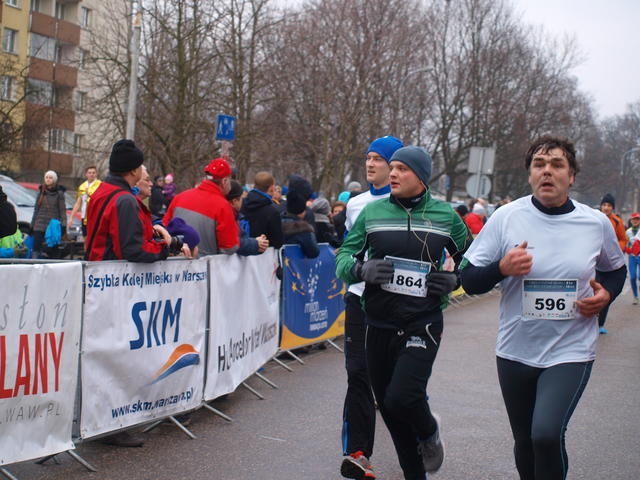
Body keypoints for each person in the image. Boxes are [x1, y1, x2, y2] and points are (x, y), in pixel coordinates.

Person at [460, 135, 626, 480]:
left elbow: (615, 269)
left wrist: (606, 295)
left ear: (571, 176)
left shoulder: (595, 223)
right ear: (530, 174)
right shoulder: (506, 217)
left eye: (556, 165)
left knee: (546, 435)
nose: (547, 171)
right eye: (539, 164)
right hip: (515, 350)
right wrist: (501, 268)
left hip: (571, 350)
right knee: (525, 442)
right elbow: (470, 279)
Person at [336, 146, 471, 480]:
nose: (393, 174)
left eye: (402, 169)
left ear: (421, 177)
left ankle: (429, 431)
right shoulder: (372, 213)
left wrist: (455, 279)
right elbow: (344, 257)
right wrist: (361, 270)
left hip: (422, 321)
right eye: (392, 167)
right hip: (378, 322)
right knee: (390, 410)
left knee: (402, 397)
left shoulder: (445, 215)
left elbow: (473, 258)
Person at [334, 135, 404, 480]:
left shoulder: (412, 204)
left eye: (379, 159)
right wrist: (358, 269)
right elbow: (348, 251)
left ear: (396, 166)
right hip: (360, 298)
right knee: (358, 373)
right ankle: (358, 453)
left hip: (399, 303)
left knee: (397, 384)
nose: (371, 164)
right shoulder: (356, 204)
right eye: (368, 157)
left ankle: (420, 434)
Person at [85, 140, 174, 264]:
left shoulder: (100, 191)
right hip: (113, 271)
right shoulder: (125, 200)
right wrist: (167, 248)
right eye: (140, 166)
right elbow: (134, 249)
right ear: (133, 171)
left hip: (95, 266)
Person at [163, 158, 239, 256]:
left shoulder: (180, 197)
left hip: (175, 261)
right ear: (224, 181)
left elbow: (164, 229)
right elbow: (229, 248)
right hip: (206, 264)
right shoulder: (223, 206)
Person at [597, 193, 626, 334]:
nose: (606, 208)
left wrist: (616, 250)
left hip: (611, 264)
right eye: (604, 205)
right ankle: (590, 320)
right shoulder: (594, 218)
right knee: (593, 291)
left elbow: (623, 239)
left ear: (612, 208)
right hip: (596, 262)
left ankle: (600, 324)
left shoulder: (617, 221)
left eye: (609, 205)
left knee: (606, 293)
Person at [241, 171, 284, 249]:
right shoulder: (272, 212)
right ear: (272, 188)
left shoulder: (241, 205)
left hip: (241, 250)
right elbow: (278, 243)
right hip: (264, 253)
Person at [227, 180, 269, 256]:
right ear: (234, 201)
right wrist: (255, 244)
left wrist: (257, 242)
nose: (243, 201)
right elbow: (230, 243)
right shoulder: (228, 216)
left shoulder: (236, 215)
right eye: (241, 198)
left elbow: (241, 238)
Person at [31, 170, 66, 259]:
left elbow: (62, 210)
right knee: (36, 247)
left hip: (52, 225)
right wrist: (32, 224)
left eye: (50, 177)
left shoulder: (59, 193)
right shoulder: (41, 192)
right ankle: (34, 264)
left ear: (54, 180)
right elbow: (36, 210)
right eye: (46, 177)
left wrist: (63, 225)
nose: (48, 179)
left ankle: (53, 264)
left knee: (53, 248)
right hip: (39, 223)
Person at [281, 175, 319, 258]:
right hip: (294, 263)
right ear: (302, 211)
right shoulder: (303, 229)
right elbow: (313, 252)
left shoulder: (277, 221)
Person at [68, 165, 101, 236]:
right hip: (84, 216)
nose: (91, 174)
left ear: (96, 174)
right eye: (89, 173)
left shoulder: (100, 185)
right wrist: (71, 217)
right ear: (86, 174)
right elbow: (78, 203)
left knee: (94, 237)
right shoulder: (82, 186)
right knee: (85, 237)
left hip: (95, 216)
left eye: (93, 173)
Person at [625, 212, 640, 304]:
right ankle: (635, 296)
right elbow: (625, 243)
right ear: (631, 220)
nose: (635, 221)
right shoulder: (628, 232)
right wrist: (626, 249)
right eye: (634, 219)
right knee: (633, 277)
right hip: (632, 257)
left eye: (637, 219)